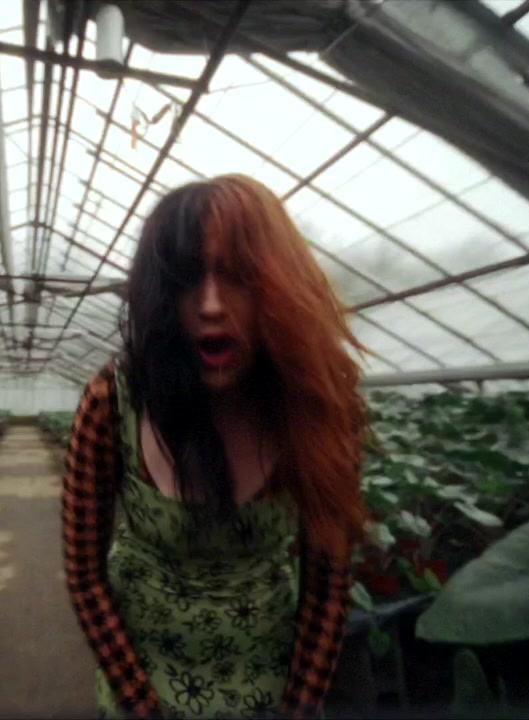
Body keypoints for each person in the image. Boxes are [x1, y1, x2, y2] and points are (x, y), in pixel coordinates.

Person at [61, 174, 368, 720]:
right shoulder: (113, 403)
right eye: (186, 280)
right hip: (143, 688)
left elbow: (328, 589)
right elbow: (85, 576)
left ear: (280, 285)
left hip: (267, 693)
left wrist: (299, 707)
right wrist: (141, 704)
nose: (209, 305)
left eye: (238, 277)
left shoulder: (315, 410)